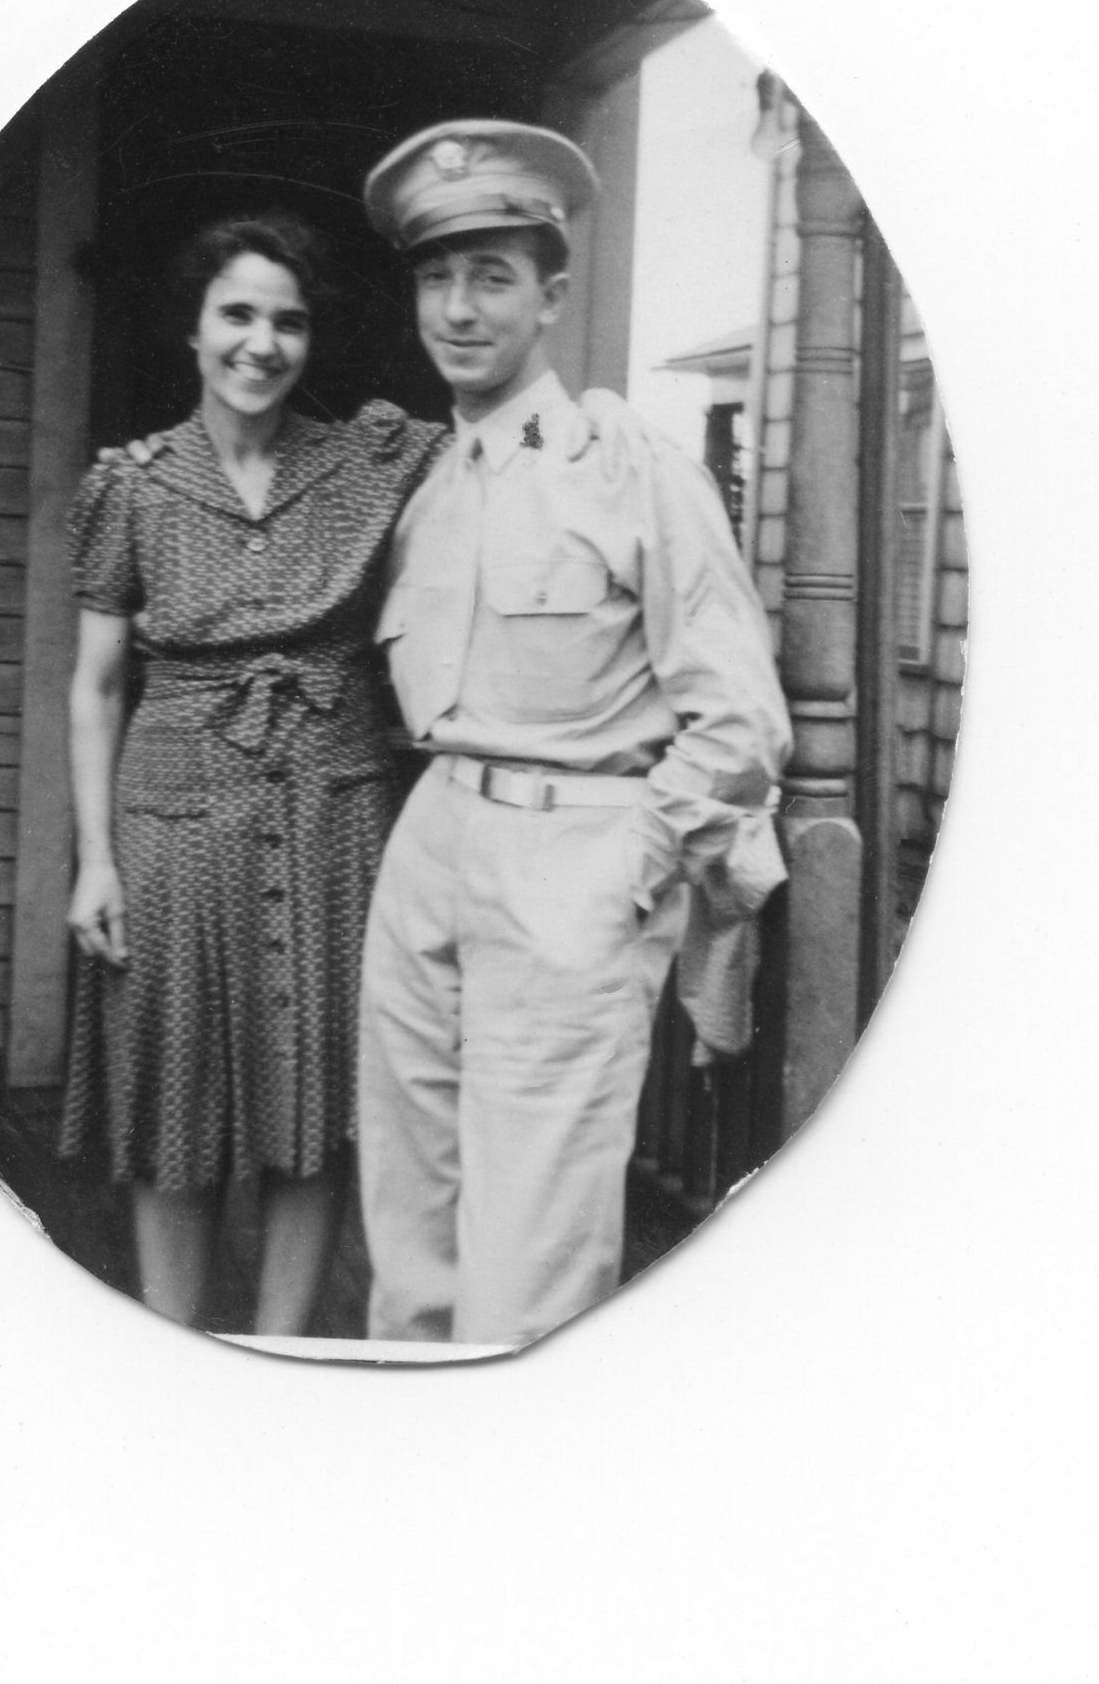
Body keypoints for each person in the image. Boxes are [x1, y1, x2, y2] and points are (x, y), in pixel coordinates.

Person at [355, 120, 794, 1349]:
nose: (459, 308)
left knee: (528, 1270)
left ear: (550, 297)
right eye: (438, 277)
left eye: (492, 277)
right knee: (410, 1240)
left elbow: (739, 718)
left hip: (575, 861)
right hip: (433, 844)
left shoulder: (628, 464)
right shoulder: (431, 484)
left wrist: (632, 868)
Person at [59, 213, 444, 1335]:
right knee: (169, 1093)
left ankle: (281, 1354)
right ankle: (173, 1347)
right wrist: (95, 862)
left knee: (315, 1100)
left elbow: (494, 434)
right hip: (173, 818)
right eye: (237, 314)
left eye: (289, 321)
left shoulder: (369, 463)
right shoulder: (131, 486)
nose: (262, 344)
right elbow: (95, 686)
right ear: (193, 330)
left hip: (336, 812)